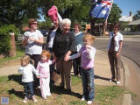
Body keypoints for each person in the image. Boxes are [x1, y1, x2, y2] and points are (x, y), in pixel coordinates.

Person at [65, 33, 96, 105]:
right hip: (83, 68)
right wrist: (69, 57)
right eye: (84, 41)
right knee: (84, 83)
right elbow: (77, 55)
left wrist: (88, 50)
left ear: (91, 41)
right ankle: (84, 95)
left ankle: (90, 97)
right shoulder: (82, 48)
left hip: (89, 69)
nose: (85, 42)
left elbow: (91, 57)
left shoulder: (93, 49)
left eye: (86, 41)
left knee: (90, 84)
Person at [53, 18, 76, 93]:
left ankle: (68, 88)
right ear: (62, 26)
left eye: (68, 26)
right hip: (59, 56)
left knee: (67, 73)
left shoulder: (71, 34)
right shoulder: (58, 33)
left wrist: (68, 54)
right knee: (61, 71)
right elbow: (55, 44)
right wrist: (55, 55)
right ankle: (62, 85)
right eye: (65, 26)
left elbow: (73, 46)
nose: (67, 28)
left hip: (67, 57)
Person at [22, 18, 44, 88]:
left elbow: (42, 42)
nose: (36, 25)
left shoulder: (38, 32)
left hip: (37, 53)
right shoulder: (26, 33)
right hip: (28, 53)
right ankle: (29, 82)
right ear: (30, 25)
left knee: (37, 68)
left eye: (36, 23)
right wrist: (26, 39)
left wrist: (35, 40)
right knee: (28, 68)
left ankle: (37, 83)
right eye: (34, 23)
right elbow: (24, 44)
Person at [46, 20, 59, 86]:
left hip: (55, 49)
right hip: (49, 48)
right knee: (49, 64)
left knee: (54, 64)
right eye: (54, 21)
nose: (55, 22)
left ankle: (53, 80)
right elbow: (48, 39)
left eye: (56, 21)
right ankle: (49, 79)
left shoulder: (59, 30)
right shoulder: (51, 29)